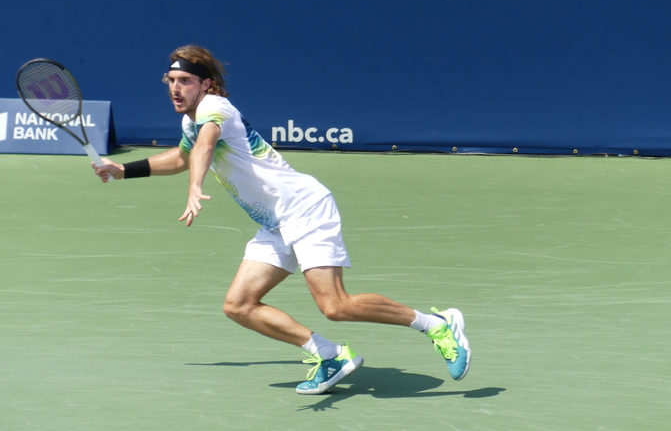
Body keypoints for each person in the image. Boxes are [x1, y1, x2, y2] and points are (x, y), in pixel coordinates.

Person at [94, 45, 471, 395]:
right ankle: (330, 355)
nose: (176, 89)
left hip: (305, 208)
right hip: (274, 224)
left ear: (206, 84)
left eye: (185, 81)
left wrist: (196, 186)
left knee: (335, 305)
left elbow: (204, 149)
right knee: (239, 305)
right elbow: (181, 156)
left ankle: (435, 324)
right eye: (171, 81)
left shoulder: (215, 108)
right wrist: (122, 170)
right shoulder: (191, 121)